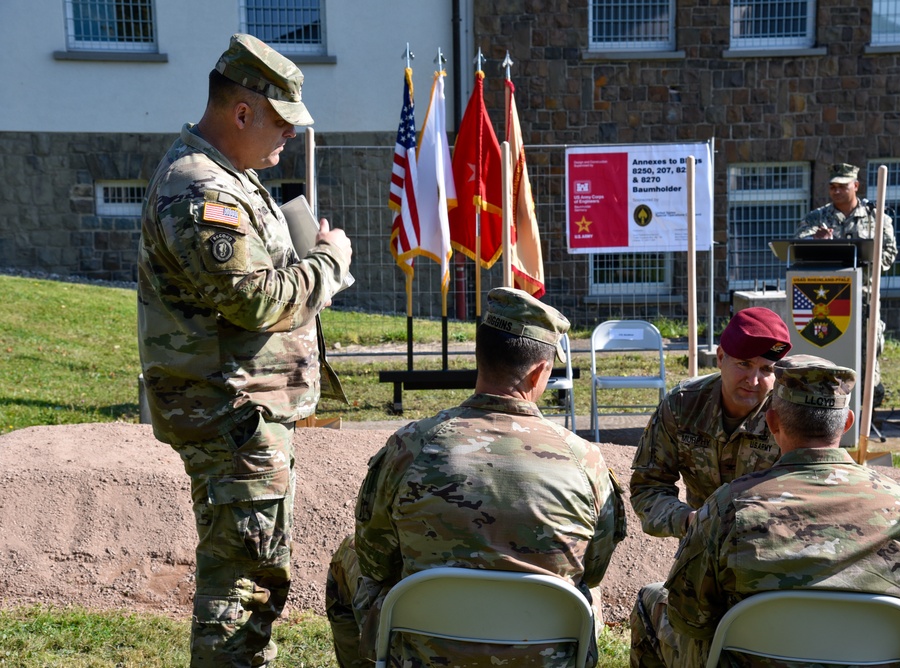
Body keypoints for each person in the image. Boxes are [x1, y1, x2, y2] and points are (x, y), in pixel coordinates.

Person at [137, 33, 353, 667]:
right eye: (283, 124)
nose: (288, 137)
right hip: (231, 413)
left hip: (242, 409)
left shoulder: (230, 176)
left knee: (252, 576)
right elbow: (256, 300)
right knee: (243, 585)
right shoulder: (201, 189)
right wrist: (329, 264)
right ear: (242, 111)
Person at [325, 287, 626, 668]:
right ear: (539, 372)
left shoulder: (409, 447)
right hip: (542, 655)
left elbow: (375, 562)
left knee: (346, 558)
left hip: (425, 652)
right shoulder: (587, 463)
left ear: (479, 357)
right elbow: (594, 568)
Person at [630, 355, 900, 668]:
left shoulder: (728, 509)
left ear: (773, 422)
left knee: (651, 602)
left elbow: (690, 620)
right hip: (865, 662)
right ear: (846, 423)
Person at [629, 306, 791, 539]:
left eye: (766, 369)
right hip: (700, 544)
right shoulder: (682, 404)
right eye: (744, 364)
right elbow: (648, 486)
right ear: (721, 357)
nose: (753, 381)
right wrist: (688, 520)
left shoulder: (787, 415)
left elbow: (810, 494)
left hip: (769, 549)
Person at [796, 162, 898, 405]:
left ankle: (867, 411)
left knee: (867, 356)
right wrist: (817, 241)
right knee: (830, 354)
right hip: (829, 300)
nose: (836, 191)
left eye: (842, 186)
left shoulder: (876, 218)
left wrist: (862, 261)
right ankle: (827, 407)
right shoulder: (818, 217)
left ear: (856, 186)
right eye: (832, 186)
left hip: (864, 299)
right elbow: (798, 245)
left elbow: (889, 252)